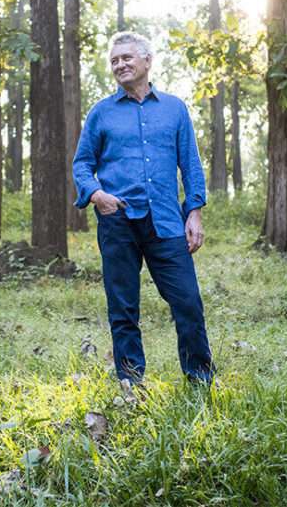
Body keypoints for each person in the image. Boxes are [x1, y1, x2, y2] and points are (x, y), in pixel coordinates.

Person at [72, 31, 214, 386]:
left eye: (126, 58)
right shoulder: (101, 113)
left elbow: (191, 164)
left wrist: (194, 211)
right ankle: (131, 384)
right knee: (123, 309)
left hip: (166, 221)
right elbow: (81, 164)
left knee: (188, 304)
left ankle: (200, 381)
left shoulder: (174, 109)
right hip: (117, 221)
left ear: (147, 61)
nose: (119, 65)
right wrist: (95, 194)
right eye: (114, 61)